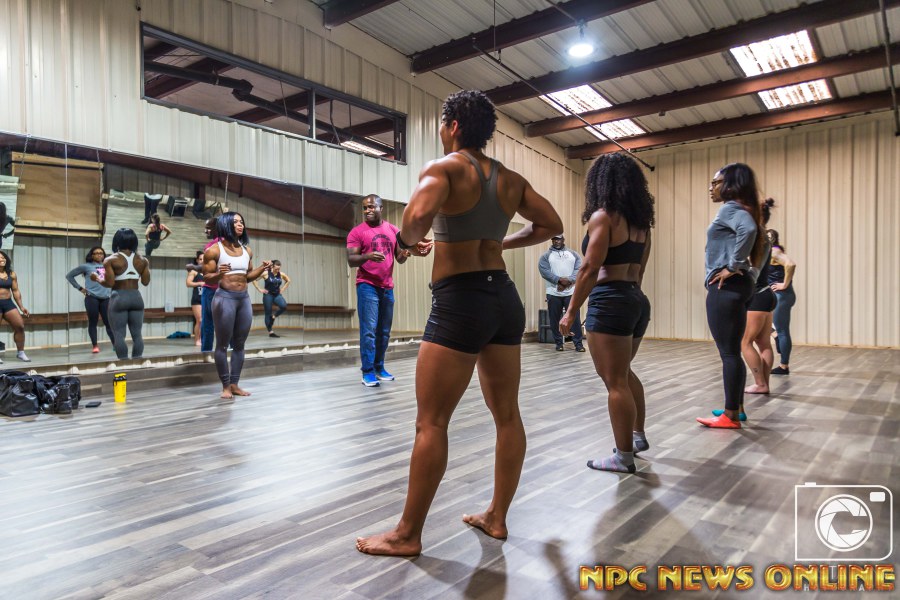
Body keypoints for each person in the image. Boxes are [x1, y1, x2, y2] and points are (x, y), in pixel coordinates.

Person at [356, 90, 562, 557]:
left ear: (451, 125)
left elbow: (413, 225)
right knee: (507, 415)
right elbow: (551, 224)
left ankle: (407, 534)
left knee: (431, 422)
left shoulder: (444, 169)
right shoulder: (511, 179)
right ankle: (497, 517)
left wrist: (409, 240)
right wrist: (499, 242)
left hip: (460, 301)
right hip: (503, 298)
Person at [559, 153, 654, 474]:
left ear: (600, 182)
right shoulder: (642, 225)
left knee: (615, 382)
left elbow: (589, 268)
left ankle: (623, 456)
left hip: (609, 301)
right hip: (635, 299)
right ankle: (637, 437)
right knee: (623, 373)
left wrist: (570, 311)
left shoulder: (603, 217)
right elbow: (640, 271)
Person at [696, 164, 767, 430]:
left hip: (725, 286)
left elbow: (748, 232)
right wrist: (752, 273)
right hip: (742, 285)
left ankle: (730, 416)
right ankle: (736, 409)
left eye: (715, 182)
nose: (711, 188)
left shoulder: (730, 209)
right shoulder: (748, 210)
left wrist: (733, 265)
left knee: (728, 353)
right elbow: (764, 241)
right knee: (733, 351)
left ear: (731, 184)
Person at [202, 212, 271, 399]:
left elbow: (247, 277)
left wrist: (262, 269)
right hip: (224, 299)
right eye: (236, 222)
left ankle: (235, 384)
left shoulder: (247, 250)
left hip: (243, 299)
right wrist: (219, 274)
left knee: (240, 344)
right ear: (226, 224)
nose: (240, 225)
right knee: (222, 345)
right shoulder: (214, 251)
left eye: (242, 222)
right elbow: (206, 278)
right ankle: (225, 387)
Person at [346, 194, 410, 387]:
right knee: (369, 332)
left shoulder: (393, 230)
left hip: (387, 287)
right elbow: (351, 260)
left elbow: (399, 258)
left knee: (384, 332)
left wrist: (405, 254)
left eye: (372, 207)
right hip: (367, 286)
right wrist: (367, 256)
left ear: (381, 208)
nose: (368, 210)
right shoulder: (357, 232)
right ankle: (367, 372)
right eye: (365, 208)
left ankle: (379, 368)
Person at [737, 199, 777, 401]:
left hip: (757, 296)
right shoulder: (766, 238)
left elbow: (746, 266)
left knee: (745, 342)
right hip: (767, 295)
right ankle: (764, 384)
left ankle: (760, 383)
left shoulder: (755, 237)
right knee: (764, 343)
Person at [93, 229, 151, 360]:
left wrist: (96, 278)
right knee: (137, 335)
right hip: (136, 298)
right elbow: (146, 282)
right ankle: (137, 363)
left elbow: (109, 283)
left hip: (119, 297)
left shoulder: (110, 260)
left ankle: (124, 364)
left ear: (117, 241)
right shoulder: (143, 260)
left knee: (119, 335)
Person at [538, 234, 585, 352]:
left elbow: (579, 269)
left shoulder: (573, 254)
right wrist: (559, 280)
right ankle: (559, 343)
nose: (556, 241)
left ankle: (578, 344)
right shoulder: (545, 256)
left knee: (574, 318)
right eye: (554, 239)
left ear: (563, 240)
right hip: (553, 292)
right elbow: (544, 271)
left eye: (558, 239)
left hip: (571, 292)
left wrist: (569, 281)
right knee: (554, 319)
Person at [66, 246, 114, 353]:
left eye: (101, 253)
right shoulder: (86, 266)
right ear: (92, 255)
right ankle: (95, 346)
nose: (99, 255)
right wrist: (80, 288)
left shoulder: (108, 266)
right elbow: (69, 276)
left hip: (106, 298)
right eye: (96, 253)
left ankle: (116, 344)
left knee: (109, 323)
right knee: (93, 322)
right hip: (92, 298)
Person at [185, 218, 220, 353]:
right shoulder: (210, 245)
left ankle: (215, 351)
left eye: (208, 228)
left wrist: (195, 267)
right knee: (204, 322)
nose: (205, 231)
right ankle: (206, 349)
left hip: (219, 289)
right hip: (207, 291)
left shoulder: (222, 245)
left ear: (217, 228)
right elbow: (208, 267)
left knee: (216, 322)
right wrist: (196, 269)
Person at [768, 229, 797, 375]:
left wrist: (784, 284)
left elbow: (790, 264)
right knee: (759, 323)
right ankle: (775, 336)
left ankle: (784, 366)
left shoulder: (774, 252)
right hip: (777, 296)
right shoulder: (768, 253)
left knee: (783, 330)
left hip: (782, 295)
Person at [0, 250, 31, 362]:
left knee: (20, 326)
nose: (2, 259)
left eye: (3, 257)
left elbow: (15, 291)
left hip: (8, 303)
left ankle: (20, 353)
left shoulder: (11, 274)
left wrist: (21, 307)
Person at [252, 259, 291, 337]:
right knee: (268, 312)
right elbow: (254, 279)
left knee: (283, 306)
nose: (277, 270)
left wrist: (282, 289)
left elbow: (288, 280)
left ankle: (274, 316)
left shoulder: (281, 274)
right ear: (272, 267)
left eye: (279, 269)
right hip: (268, 295)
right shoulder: (266, 273)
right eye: (276, 269)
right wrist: (259, 289)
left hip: (277, 295)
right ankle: (270, 332)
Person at [186, 250, 205, 347]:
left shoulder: (209, 271)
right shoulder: (193, 271)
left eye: (204, 259)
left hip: (207, 298)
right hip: (197, 299)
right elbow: (188, 283)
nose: (202, 261)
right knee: (200, 320)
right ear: (197, 260)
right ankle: (197, 339)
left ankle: (204, 338)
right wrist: (199, 283)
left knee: (206, 321)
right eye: (200, 259)